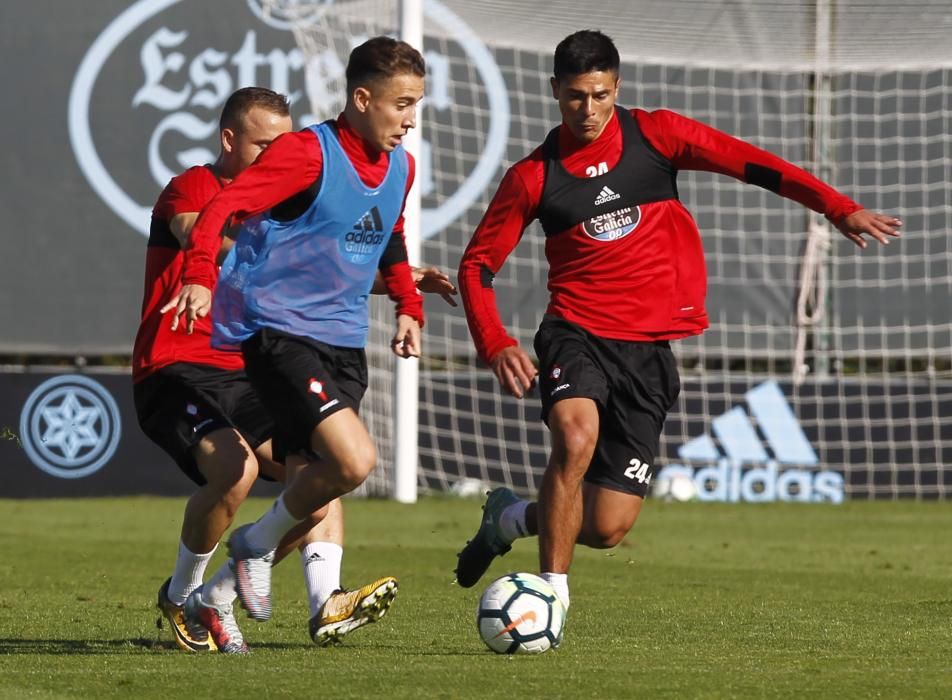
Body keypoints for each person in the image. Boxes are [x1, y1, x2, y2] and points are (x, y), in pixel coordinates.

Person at [454, 30, 901, 616]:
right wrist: (495, 343)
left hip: (647, 353)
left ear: (617, 87)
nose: (587, 111)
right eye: (573, 98)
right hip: (575, 332)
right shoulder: (533, 177)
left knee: (608, 525)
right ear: (554, 91)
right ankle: (551, 598)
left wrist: (836, 206)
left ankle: (510, 517)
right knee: (574, 436)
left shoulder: (656, 135)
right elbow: (477, 265)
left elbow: (753, 164)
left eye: (598, 95)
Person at [136, 87, 454, 653]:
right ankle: (182, 595)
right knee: (235, 473)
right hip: (177, 367)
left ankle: (323, 601)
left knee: (322, 468)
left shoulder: (288, 199)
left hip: (249, 366)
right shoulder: (196, 187)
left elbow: (318, 268)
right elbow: (210, 238)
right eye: (263, 144)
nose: (275, 154)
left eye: (283, 143)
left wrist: (399, 286)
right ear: (229, 139)